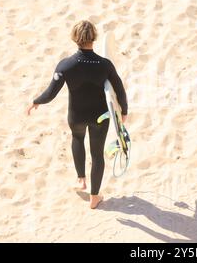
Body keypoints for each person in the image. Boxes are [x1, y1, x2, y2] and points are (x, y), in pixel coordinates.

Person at [27, 20, 128, 209]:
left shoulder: (65, 65)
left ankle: (81, 179)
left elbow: (50, 93)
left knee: (77, 139)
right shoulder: (105, 64)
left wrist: (36, 101)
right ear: (94, 38)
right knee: (97, 155)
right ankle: (94, 197)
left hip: (76, 116)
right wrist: (124, 111)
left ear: (75, 38)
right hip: (100, 117)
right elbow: (119, 89)